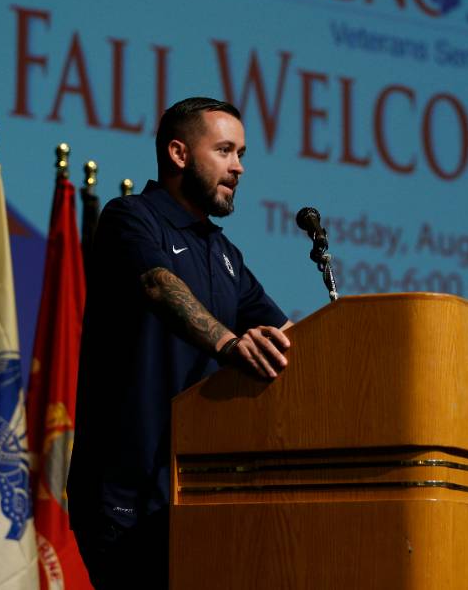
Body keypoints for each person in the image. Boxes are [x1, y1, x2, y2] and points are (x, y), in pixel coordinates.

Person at [67, 97, 292, 589]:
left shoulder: (225, 253)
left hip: (199, 496)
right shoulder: (131, 217)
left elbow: (290, 336)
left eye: (241, 154)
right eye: (225, 151)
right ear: (179, 153)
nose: (239, 167)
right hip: (126, 496)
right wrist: (230, 344)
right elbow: (157, 284)